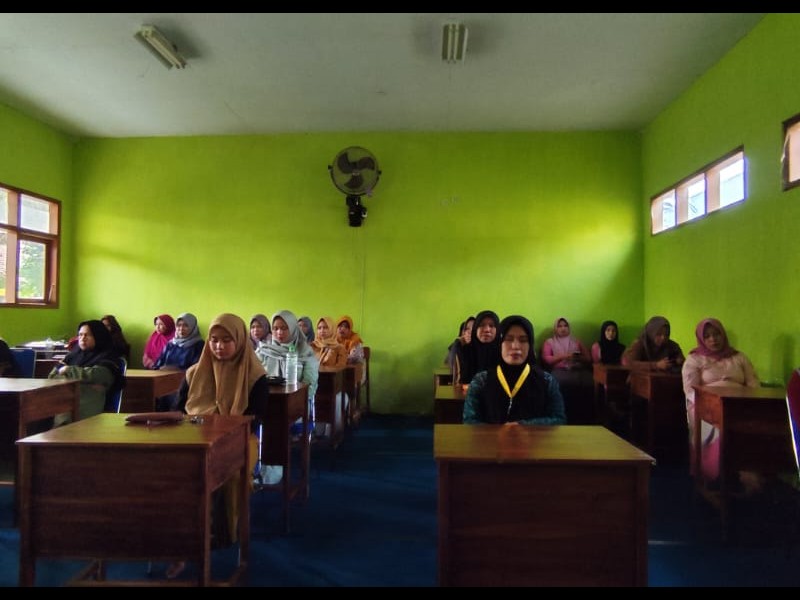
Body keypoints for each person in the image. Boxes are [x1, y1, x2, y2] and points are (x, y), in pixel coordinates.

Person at [172, 313, 268, 579]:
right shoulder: (194, 373)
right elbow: (178, 411)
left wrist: (222, 430)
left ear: (240, 340)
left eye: (226, 340)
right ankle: (178, 540)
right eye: (214, 340)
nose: (219, 346)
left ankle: (224, 533)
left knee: (229, 473)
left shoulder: (255, 376)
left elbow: (255, 418)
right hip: (195, 438)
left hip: (240, 439)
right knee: (172, 473)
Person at [681, 318, 760, 487]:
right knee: (712, 425)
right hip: (706, 404)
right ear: (702, 339)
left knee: (756, 423)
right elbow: (690, 390)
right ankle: (712, 475)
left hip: (739, 404)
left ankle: (746, 471)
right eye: (707, 336)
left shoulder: (739, 357)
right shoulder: (695, 359)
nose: (713, 339)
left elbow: (753, 383)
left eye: (716, 334)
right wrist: (710, 404)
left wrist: (752, 401)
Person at [463, 315, 566, 425]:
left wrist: (523, 425)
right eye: (508, 339)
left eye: (523, 340)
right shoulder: (481, 381)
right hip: (492, 437)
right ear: (499, 343)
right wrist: (499, 431)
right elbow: (469, 421)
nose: (515, 346)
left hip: (531, 437)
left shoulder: (547, 381)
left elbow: (559, 419)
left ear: (530, 346)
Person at [256, 310, 320, 462]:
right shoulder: (263, 351)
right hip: (267, 402)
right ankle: (261, 463)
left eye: (284, 328)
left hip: (296, 406)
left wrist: (295, 401)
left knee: (275, 422)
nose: (279, 332)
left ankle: (274, 466)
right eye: (275, 328)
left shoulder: (305, 352)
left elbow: (310, 385)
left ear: (293, 328)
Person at [49, 319, 126, 422]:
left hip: (86, 406)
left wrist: (68, 370)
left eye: (87, 335)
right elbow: (52, 376)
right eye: (80, 335)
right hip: (63, 398)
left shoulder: (108, 356)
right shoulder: (73, 355)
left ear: (98, 336)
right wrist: (83, 381)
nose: (82, 338)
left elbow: (98, 375)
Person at [541, 317, 593, 424]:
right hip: (559, 370)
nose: (563, 328)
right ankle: (563, 416)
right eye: (559, 326)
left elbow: (588, 358)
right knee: (559, 382)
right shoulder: (550, 342)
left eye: (565, 326)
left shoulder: (576, 341)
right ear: (555, 328)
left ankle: (585, 418)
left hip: (577, 369)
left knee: (589, 381)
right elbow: (547, 359)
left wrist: (577, 358)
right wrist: (564, 356)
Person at [153, 312, 205, 411]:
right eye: (179, 325)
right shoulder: (171, 344)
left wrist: (177, 370)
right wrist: (160, 368)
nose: (181, 329)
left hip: (184, 385)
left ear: (193, 327)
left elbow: (197, 369)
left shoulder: (199, 345)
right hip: (163, 382)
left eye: (185, 325)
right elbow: (157, 364)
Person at [457, 310, 501, 387]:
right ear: (475, 329)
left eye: (491, 326)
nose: (487, 329)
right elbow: (462, 382)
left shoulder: (503, 352)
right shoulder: (466, 351)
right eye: (481, 325)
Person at [445, 315, 474, 383]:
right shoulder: (457, 346)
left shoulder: (476, 349)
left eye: (473, 329)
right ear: (462, 333)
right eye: (467, 329)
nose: (469, 332)